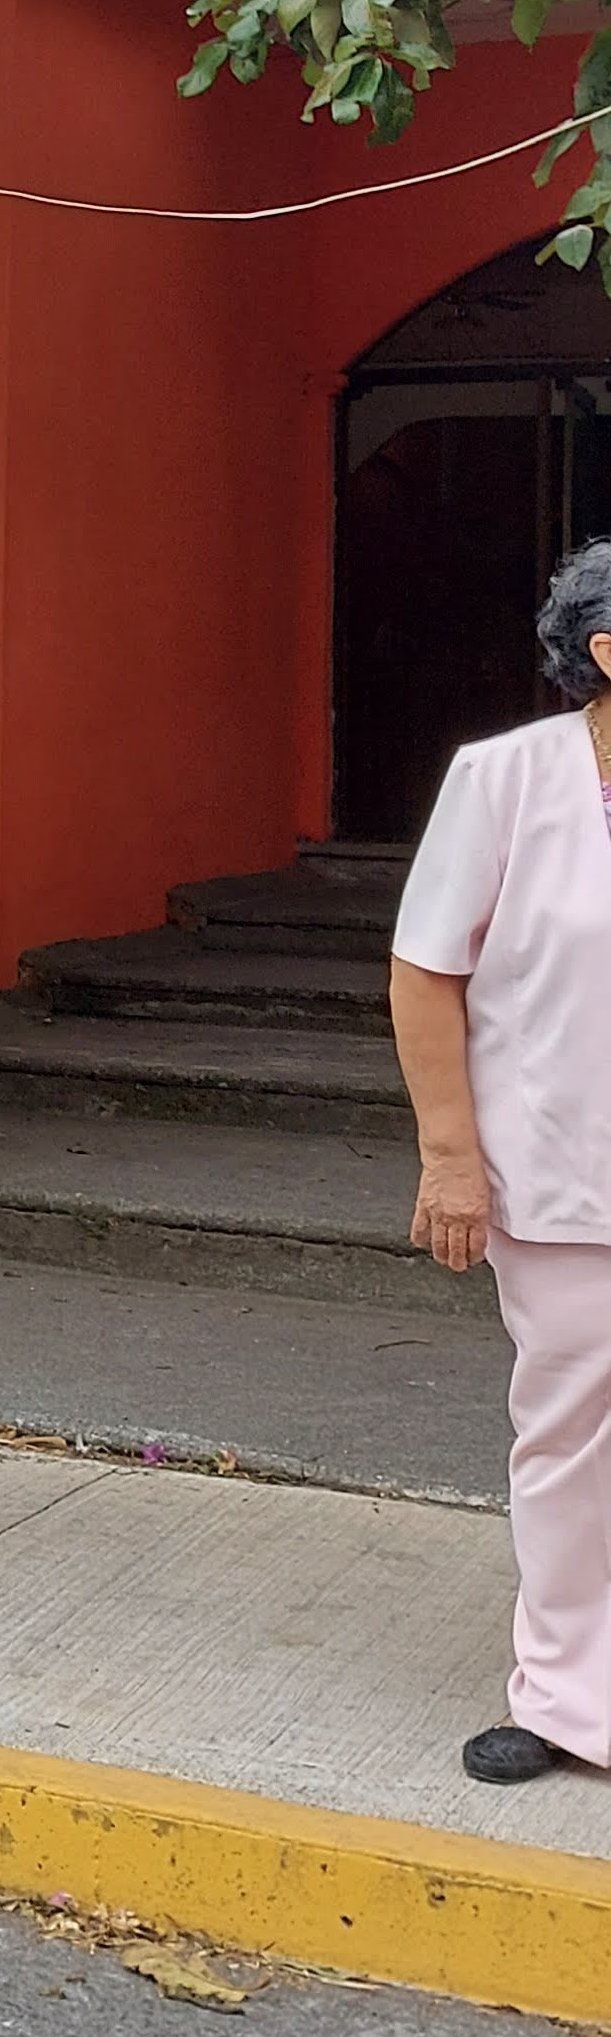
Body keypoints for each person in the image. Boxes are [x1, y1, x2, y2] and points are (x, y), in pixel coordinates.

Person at [393, 530, 611, 1781]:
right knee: (571, 1441)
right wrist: (449, 1158)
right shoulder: (507, 779)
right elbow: (428, 969)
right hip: (562, 1175)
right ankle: (565, 1698)